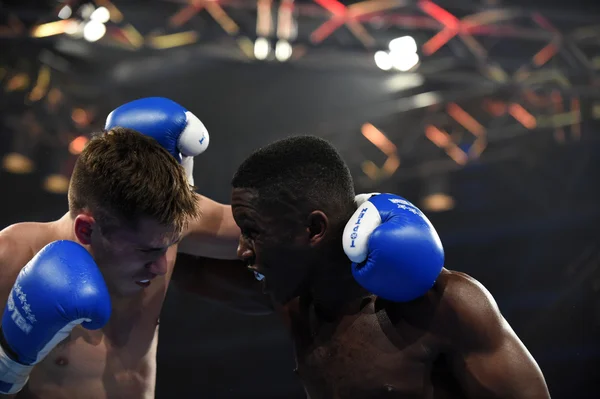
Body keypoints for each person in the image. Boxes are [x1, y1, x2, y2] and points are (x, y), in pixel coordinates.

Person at [226, 135, 550, 398]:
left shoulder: (445, 303)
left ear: (313, 229)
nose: (242, 250)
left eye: (252, 232)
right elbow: (182, 245)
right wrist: (176, 175)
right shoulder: (293, 302)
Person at [0, 98, 262, 398]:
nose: (163, 266)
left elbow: (277, 230)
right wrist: (7, 365)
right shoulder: (12, 257)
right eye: (147, 252)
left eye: (171, 246)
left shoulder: (167, 223)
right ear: (86, 229)